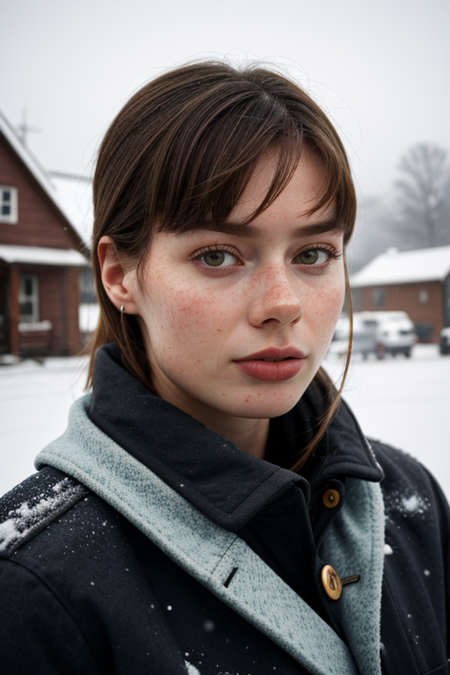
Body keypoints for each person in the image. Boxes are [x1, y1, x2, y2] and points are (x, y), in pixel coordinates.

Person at [0, 61, 448, 675]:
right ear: (118, 275)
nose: (283, 303)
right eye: (218, 255)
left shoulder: (410, 499)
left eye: (313, 253)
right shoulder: (35, 586)